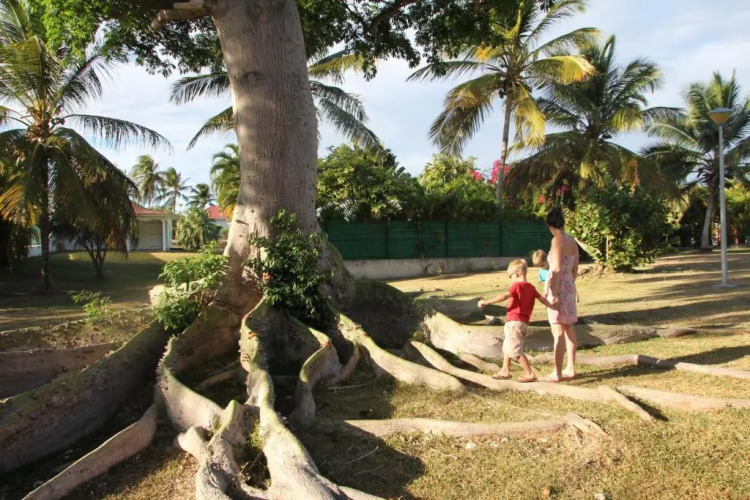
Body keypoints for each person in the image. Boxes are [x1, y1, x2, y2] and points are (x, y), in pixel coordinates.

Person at [477, 259, 557, 383]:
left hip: (514, 321)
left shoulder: (517, 286)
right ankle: (505, 370)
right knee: (507, 346)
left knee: (515, 350)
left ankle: (529, 373)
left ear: (517, 273)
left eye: (511, 276)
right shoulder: (531, 287)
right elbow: (542, 299)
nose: (511, 279)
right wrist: (552, 306)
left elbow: (504, 296)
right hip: (523, 322)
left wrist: (487, 302)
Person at [542, 207, 579, 382]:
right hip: (569, 285)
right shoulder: (572, 240)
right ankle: (570, 368)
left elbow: (556, 268)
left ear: (550, 225)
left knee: (557, 329)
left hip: (558, 288)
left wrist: (553, 292)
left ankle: (557, 372)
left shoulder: (556, 240)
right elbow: (575, 268)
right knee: (568, 327)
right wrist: (571, 285)